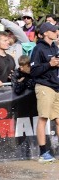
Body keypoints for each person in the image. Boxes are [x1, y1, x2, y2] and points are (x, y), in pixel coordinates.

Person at [29, 22, 59, 163]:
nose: (56, 32)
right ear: (46, 33)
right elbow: (33, 71)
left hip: (56, 87)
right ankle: (43, 153)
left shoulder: (54, 47)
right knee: (43, 118)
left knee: (58, 120)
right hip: (44, 87)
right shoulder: (38, 48)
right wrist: (49, 64)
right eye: (53, 30)